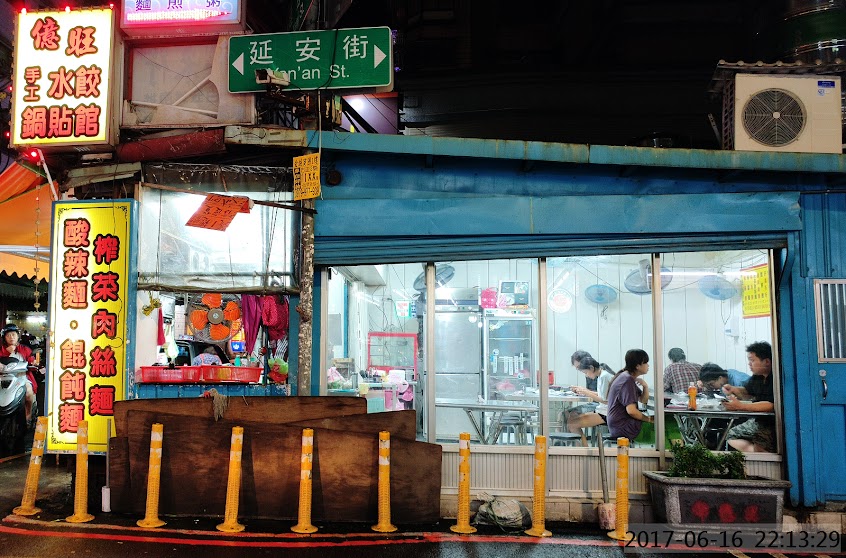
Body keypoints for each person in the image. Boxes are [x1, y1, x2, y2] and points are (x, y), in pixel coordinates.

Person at [723, 341, 775, 453]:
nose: (749, 364)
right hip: (759, 421)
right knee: (730, 435)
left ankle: (762, 454)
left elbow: (771, 405)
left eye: (752, 360)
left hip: (773, 422)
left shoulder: (776, 377)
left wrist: (741, 406)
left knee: (761, 441)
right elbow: (747, 391)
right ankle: (756, 451)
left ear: (767, 362)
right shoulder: (757, 377)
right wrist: (733, 389)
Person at [606, 349, 652, 442]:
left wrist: (645, 387)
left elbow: (643, 400)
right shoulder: (627, 381)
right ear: (638, 366)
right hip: (624, 428)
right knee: (665, 425)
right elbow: (631, 411)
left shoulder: (626, 377)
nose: (648, 365)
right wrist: (648, 419)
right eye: (646, 362)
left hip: (618, 426)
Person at [567, 356, 615, 445]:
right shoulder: (601, 375)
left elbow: (605, 401)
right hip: (603, 411)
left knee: (572, 424)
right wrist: (584, 391)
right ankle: (584, 449)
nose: (586, 375)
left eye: (586, 372)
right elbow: (602, 395)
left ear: (591, 368)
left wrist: (587, 393)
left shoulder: (604, 376)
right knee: (571, 419)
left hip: (607, 413)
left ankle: (584, 452)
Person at [0, 324, 37, 422]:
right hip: (3, 379)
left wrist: (33, 363)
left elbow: (31, 360)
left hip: (22, 378)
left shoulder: (25, 349)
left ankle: (28, 416)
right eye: (8, 335)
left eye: (13, 335)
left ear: (18, 336)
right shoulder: (1, 350)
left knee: (29, 392)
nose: (11, 337)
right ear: (4, 338)